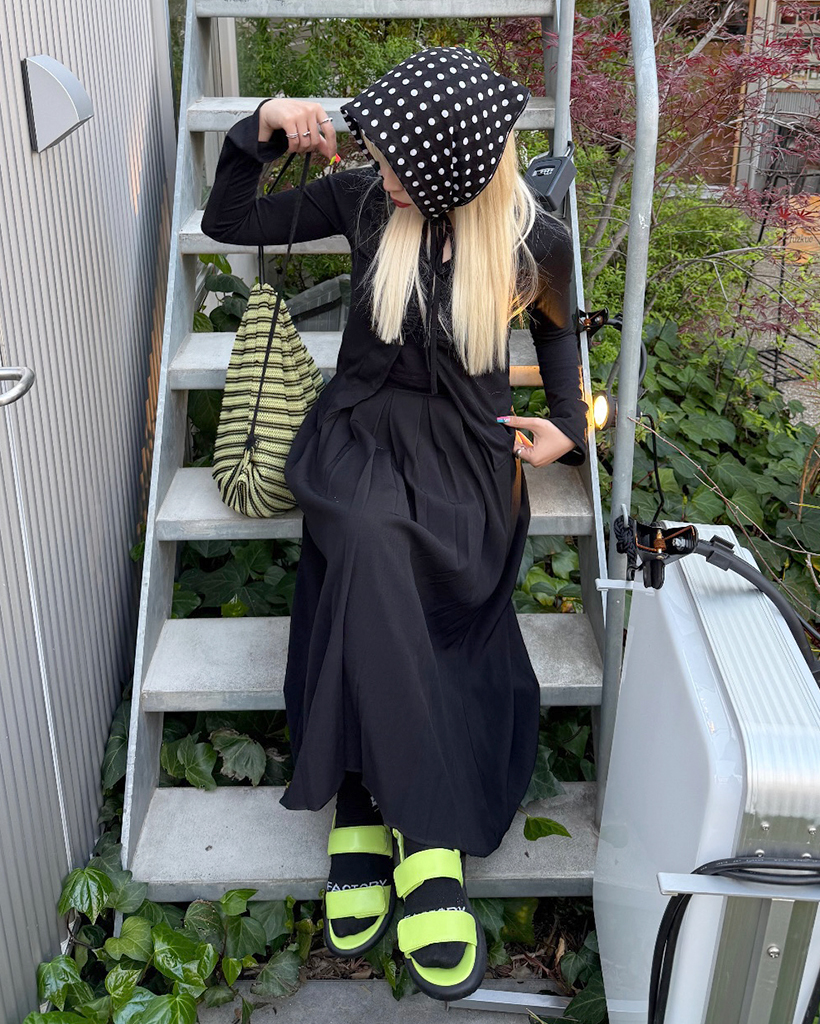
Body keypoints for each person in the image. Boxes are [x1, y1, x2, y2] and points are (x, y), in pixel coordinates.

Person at [202, 46, 588, 1002]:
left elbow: (558, 330)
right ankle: (425, 828)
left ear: (451, 173)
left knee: (417, 567)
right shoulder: (366, 202)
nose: (379, 176)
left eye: (395, 166)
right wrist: (260, 126)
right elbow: (230, 221)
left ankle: (365, 800)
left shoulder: (531, 237)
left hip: (467, 448)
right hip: (361, 433)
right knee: (371, 540)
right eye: (377, 162)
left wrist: (569, 429)